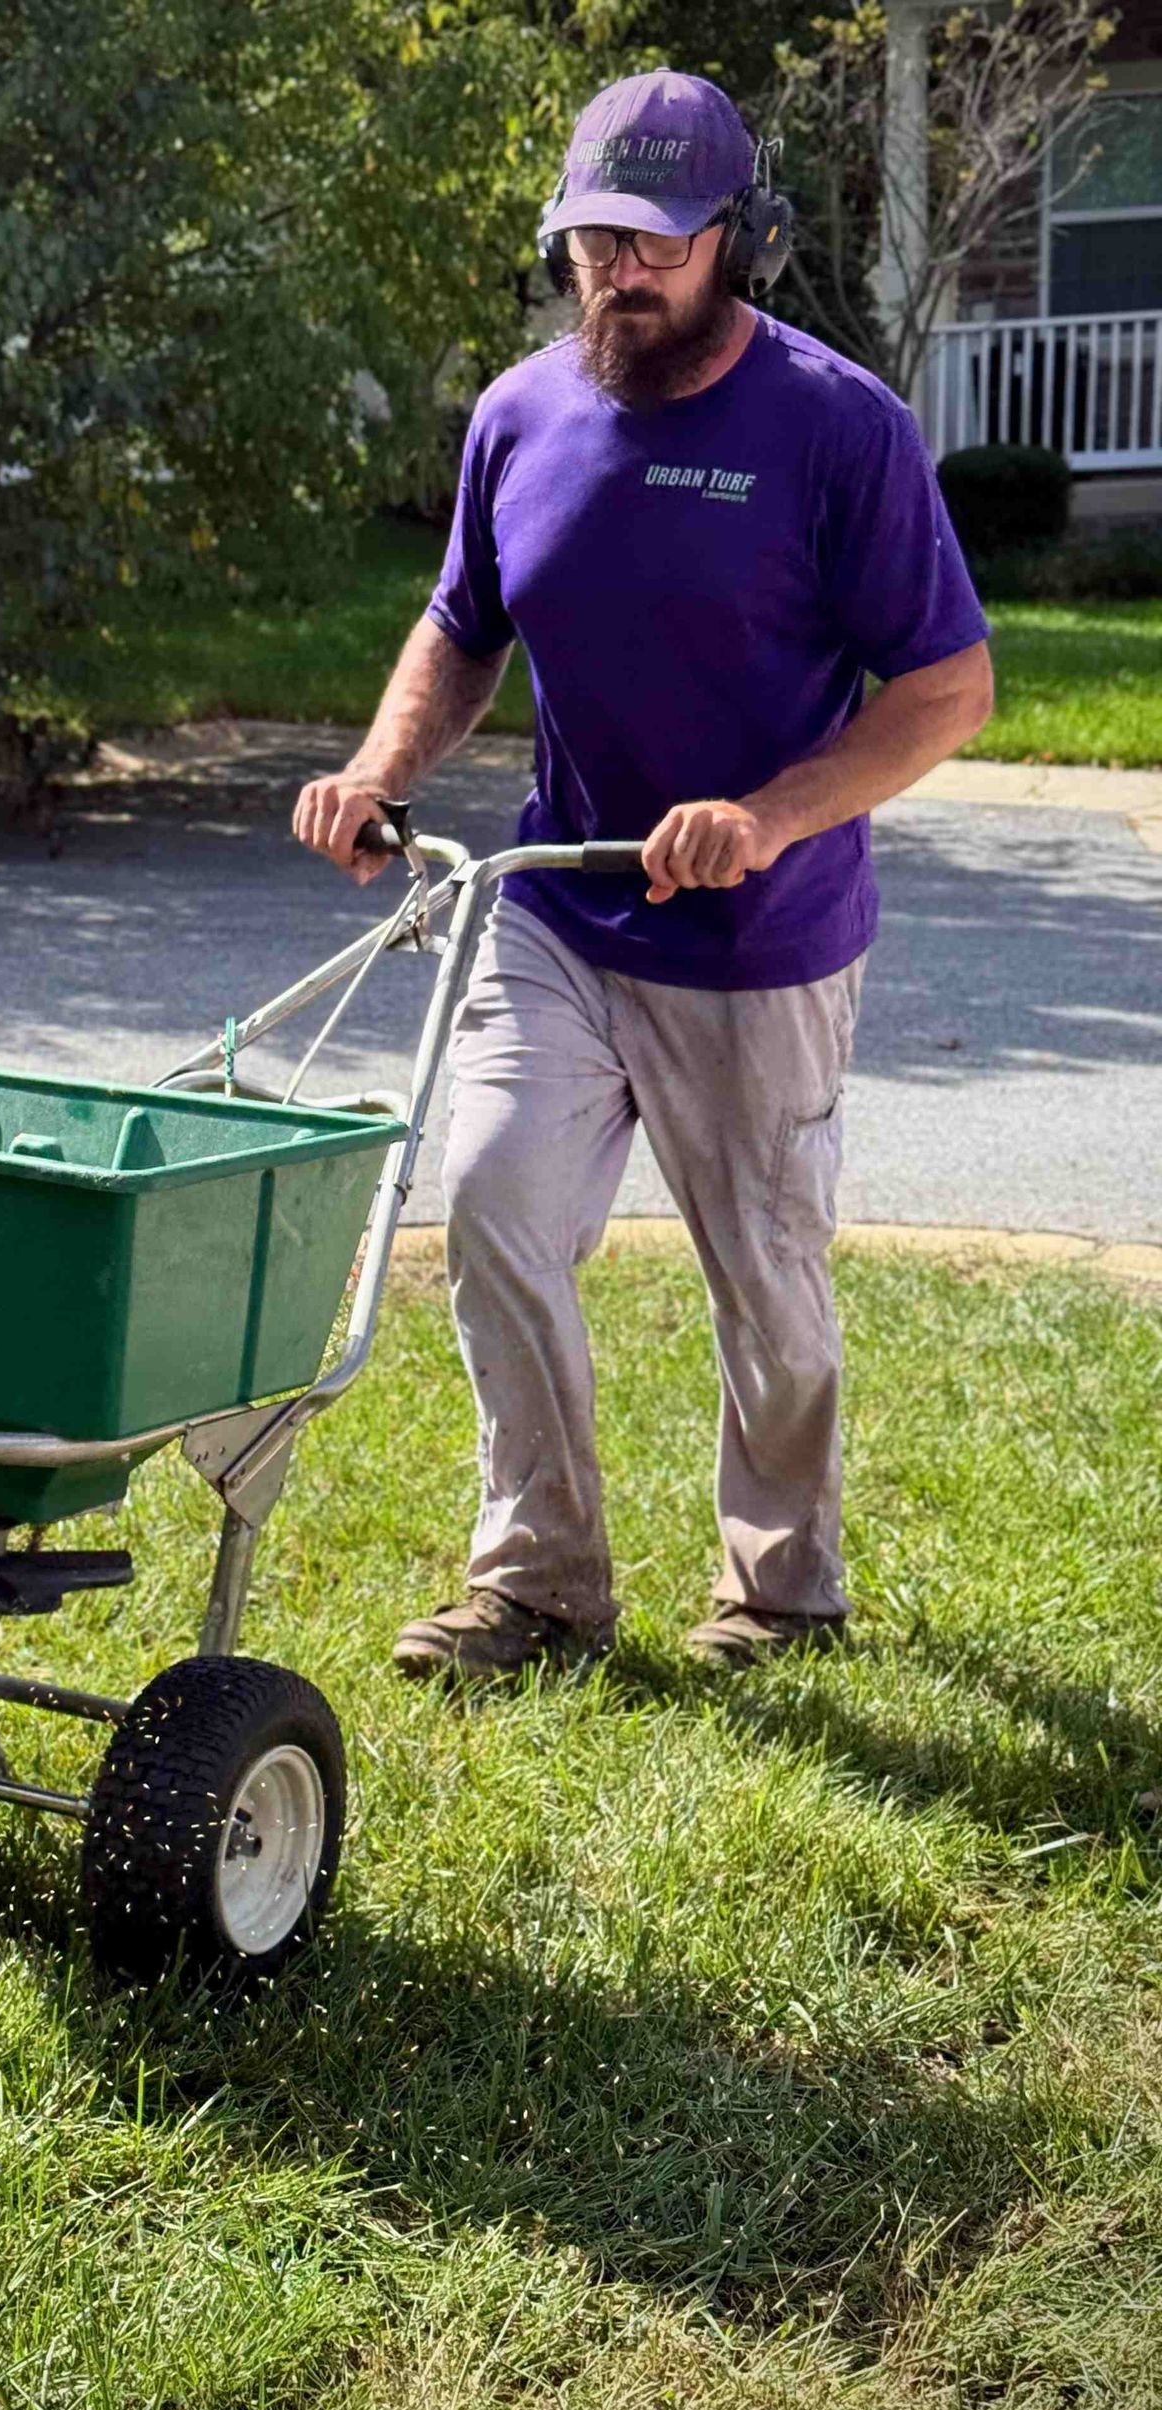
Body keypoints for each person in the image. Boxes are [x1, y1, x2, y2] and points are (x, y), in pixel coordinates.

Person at [292, 68, 994, 1677]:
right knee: (491, 1198)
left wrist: (766, 814)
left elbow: (949, 690)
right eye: (597, 236)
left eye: (661, 241)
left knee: (766, 1281)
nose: (625, 269)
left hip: (764, 937)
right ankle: (540, 1585)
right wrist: (380, 773)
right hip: (562, 906)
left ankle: (780, 1589)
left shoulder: (837, 429)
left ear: (734, 239)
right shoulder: (520, 414)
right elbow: (463, 627)